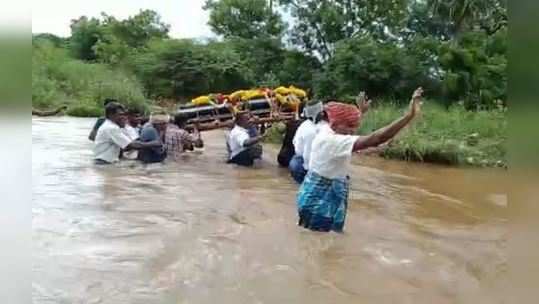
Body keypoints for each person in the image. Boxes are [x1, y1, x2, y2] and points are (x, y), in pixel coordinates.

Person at [297, 87, 424, 233]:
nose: (353, 130)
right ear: (337, 124)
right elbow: (376, 138)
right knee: (318, 243)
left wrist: (360, 112)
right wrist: (408, 116)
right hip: (319, 199)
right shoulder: (331, 140)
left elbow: (358, 136)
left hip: (327, 192)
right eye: (350, 127)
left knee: (331, 241)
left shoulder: (329, 130)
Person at [93, 103, 162, 164]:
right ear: (111, 115)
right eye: (120, 115)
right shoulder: (111, 128)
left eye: (124, 114)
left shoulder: (111, 126)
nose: (123, 117)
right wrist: (153, 143)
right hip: (103, 163)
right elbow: (130, 145)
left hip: (105, 162)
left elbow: (126, 146)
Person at [289, 101, 325, 184]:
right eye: (321, 112)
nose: (322, 113)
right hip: (306, 165)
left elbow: (296, 144)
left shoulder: (304, 125)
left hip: (298, 161)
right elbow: (308, 157)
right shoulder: (313, 131)